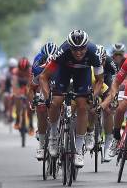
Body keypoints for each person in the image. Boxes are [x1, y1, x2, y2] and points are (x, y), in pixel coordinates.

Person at [40, 30, 103, 168]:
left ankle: (79, 150)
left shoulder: (94, 53)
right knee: (56, 101)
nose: (78, 52)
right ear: (70, 47)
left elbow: (99, 80)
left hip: (83, 72)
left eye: (82, 49)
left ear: (87, 46)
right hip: (63, 70)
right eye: (75, 49)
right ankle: (54, 137)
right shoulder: (62, 51)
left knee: (83, 105)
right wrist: (47, 97)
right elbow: (43, 77)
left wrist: (94, 95)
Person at [29, 42, 57, 160]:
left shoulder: (61, 62)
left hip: (57, 85)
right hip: (42, 84)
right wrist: (34, 100)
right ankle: (41, 146)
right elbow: (32, 87)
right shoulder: (37, 64)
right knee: (41, 109)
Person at [12, 57, 33, 135]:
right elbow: (14, 83)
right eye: (21, 69)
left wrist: (29, 93)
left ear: (28, 67)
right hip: (19, 85)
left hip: (27, 85)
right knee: (16, 98)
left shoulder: (30, 71)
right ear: (19, 67)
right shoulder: (15, 71)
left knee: (30, 106)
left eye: (25, 69)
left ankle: (31, 125)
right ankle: (17, 119)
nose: (23, 71)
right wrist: (16, 93)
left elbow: (31, 84)